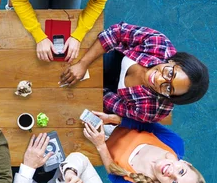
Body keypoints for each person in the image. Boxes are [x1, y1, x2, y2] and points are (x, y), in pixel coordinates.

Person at [60, 22, 209, 123]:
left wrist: (85, 89)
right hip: (101, 55)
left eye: (169, 88)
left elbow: (111, 102)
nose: (158, 80)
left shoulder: (152, 110)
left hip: (106, 91)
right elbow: (116, 33)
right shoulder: (158, 43)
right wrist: (83, 64)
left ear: (171, 98)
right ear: (173, 61)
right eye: (170, 73)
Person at [82, 112, 206, 183]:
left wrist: (100, 145)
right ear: (186, 163)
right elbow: (146, 124)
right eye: (181, 171)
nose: (171, 173)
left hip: (93, 145)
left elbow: (116, 179)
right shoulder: (175, 143)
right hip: (114, 120)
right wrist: (110, 118)